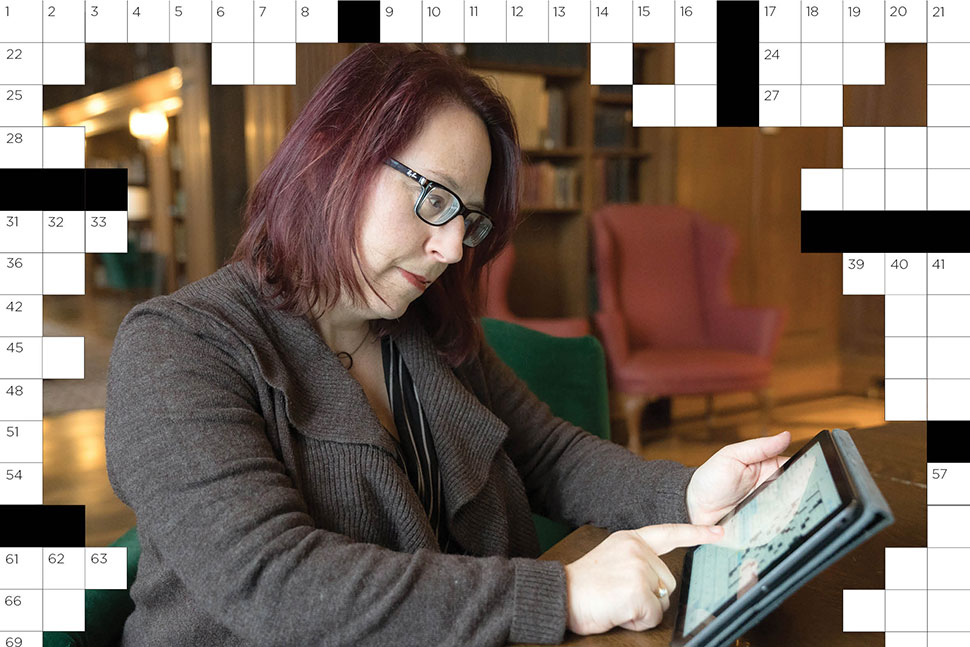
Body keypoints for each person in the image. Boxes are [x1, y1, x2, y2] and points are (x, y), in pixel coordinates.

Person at [104, 43, 791, 646]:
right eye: (436, 199)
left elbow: (548, 453)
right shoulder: (178, 347)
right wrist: (563, 595)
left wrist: (691, 491)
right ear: (333, 158)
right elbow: (273, 582)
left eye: (470, 218)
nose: (453, 246)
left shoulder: (425, 328)